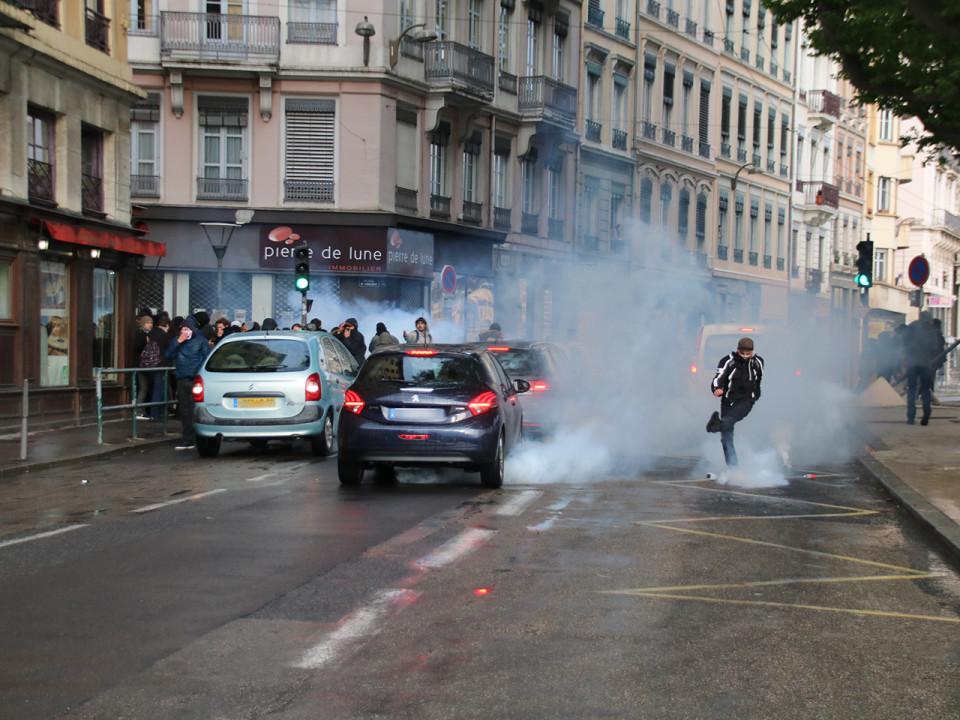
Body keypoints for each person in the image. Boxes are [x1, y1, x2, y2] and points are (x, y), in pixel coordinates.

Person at [707, 336, 764, 469]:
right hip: (728, 401)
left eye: (748, 353)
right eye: (742, 353)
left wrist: (755, 395)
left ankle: (716, 426)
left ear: (753, 351)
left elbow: (758, 379)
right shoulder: (727, 361)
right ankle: (734, 468)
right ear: (737, 350)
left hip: (746, 400)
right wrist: (717, 389)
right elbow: (718, 378)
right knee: (726, 439)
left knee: (730, 419)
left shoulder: (758, 362)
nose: (745, 356)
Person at [165, 315, 210, 450]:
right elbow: (168, 355)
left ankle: (202, 437)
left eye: (187, 328)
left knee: (199, 409)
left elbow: (206, 359)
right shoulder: (177, 341)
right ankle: (188, 439)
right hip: (182, 378)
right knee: (185, 411)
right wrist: (177, 341)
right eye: (183, 328)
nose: (185, 331)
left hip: (196, 379)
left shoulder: (201, 341)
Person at [903, 311, 945, 425]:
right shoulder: (930, 331)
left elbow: (904, 344)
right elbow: (935, 348)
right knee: (925, 390)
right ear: (929, 320)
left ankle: (911, 417)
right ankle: (926, 414)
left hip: (912, 363)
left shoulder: (911, 328)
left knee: (911, 390)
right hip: (926, 364)